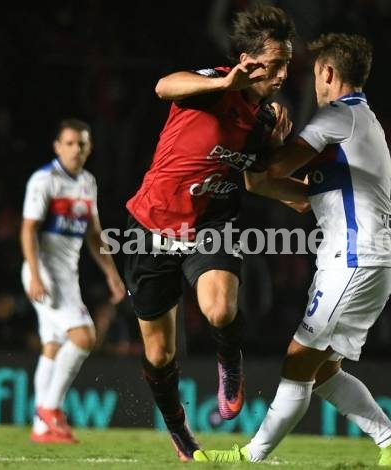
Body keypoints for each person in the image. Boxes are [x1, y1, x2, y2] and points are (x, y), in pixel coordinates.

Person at [195, 33, 391, 466]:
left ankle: (249, 457)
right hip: (367, 263)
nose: (314, 83)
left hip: (353, 261)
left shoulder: (338, 115)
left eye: (316, 73)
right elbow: (285, 189)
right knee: (324, 371)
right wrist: (260, 168)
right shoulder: (361, 124)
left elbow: (274, 165)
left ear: (329, 73)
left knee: (298, 361)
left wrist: (260, 140)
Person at [122, 6, 298, 461]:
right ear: (248, 60)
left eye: (286, 66)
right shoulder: (212, 84)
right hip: (151, 226)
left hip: (212, 223)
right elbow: (164, 86)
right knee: (160, 356)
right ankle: (180, 431)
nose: (282, 75)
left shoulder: (263, 121)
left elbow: (257, 179)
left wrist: (283, 161)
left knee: (220, 309)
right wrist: (224, 83)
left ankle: (229, 362)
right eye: (276, 64)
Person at [20, 118, 125, 444]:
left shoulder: (87, 182)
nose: (76, 149)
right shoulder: (44, 180)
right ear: (57, 146)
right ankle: (50, 409)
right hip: (46, 274)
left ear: (89, 147)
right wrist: (35, 274)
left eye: (82, 143)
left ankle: (41, 429)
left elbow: (94, 234)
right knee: (83, 336)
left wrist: (111, 273)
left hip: (68, 274)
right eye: (69, 143)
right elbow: (28, 229)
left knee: (52, 346)